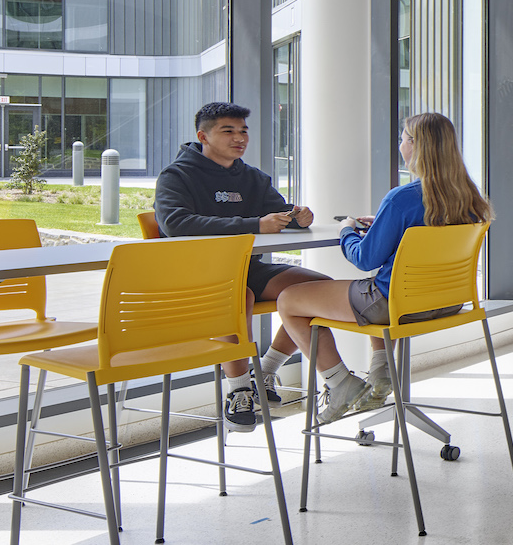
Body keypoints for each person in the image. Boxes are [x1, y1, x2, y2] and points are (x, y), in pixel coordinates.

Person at [153, 101, 361, 429]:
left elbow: (275, 213)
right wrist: (253, 224)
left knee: (315, 289)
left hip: (246, 268)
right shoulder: (176, 176)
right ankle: (238, 391)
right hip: (195, 275)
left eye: (243, 131)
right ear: (203, 136)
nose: (240, 138)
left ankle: (266, 372)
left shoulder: (252, 177)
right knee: (240, 296)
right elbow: (177, 223)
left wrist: (297, 216)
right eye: (229, 131)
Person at [274, 111, 490, 421]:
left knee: (289, 299)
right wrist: (384, 227)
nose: (400, 145)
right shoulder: (469, 197)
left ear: (416, 146)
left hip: (397, 305)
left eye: (403, 139)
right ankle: (381, 373)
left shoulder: (401, 198)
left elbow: (364, 259)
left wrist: (347, 230)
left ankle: (340, 383)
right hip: (445, 303)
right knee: (384, 286)